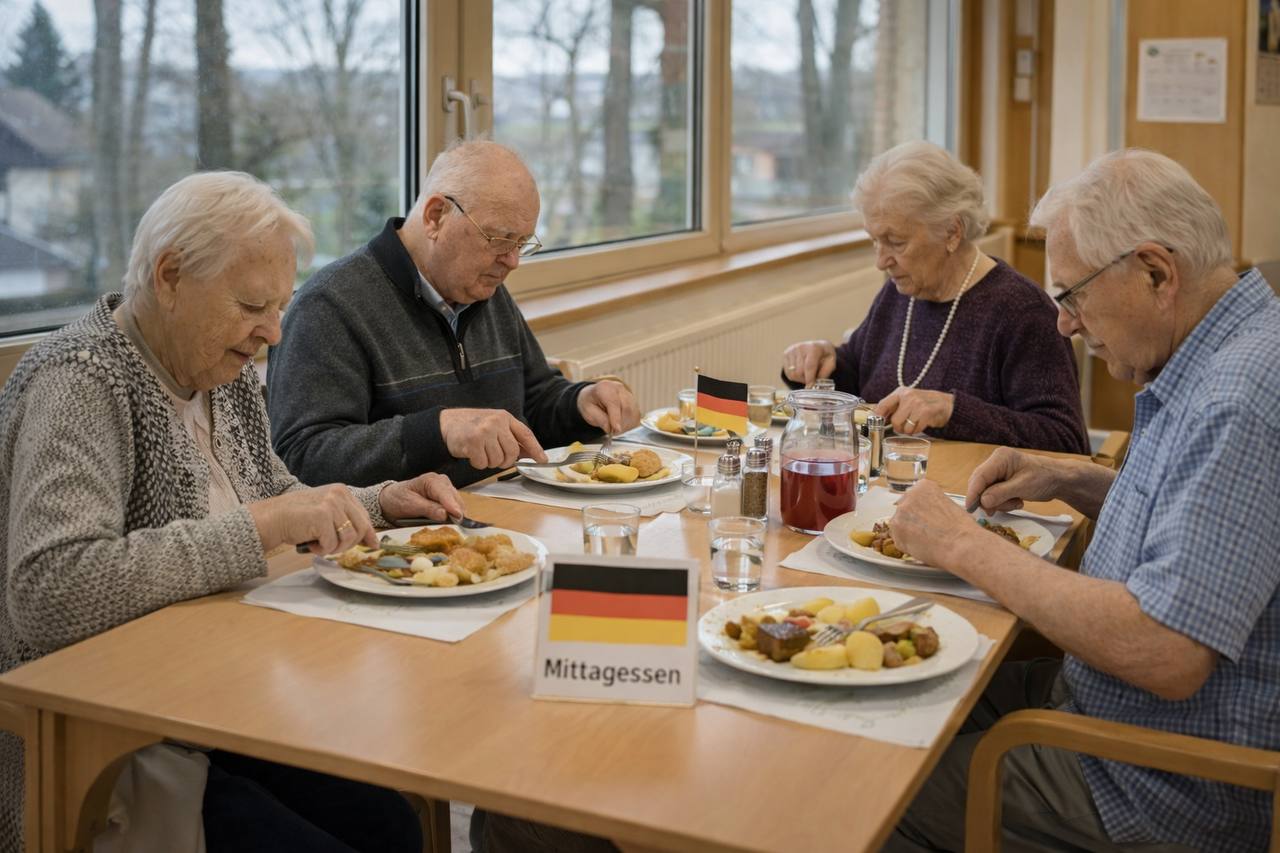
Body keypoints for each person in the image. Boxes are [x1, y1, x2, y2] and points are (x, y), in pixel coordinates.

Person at [0, 172, 469, 853]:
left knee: (389, 820)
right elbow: (50, 589)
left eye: (280, 305)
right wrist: (259, 529)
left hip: (219, 696)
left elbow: (276, 496)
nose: (273, 332)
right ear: (168, 276)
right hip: (112, 740)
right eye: (253, 304)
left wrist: (378, 501)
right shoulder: (80, 381)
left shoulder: (219, 371)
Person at [882, 149, 1280, 852]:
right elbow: (1193, 511)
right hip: (1107, 708)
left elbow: (1166, 648)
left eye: (1071, 295)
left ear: (1157, 272)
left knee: (877, 791)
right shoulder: (1229, 348)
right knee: (900, 701)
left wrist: (960, 543)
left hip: (1154, 779)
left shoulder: (1238, 400)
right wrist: (1068, 477)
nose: (1064, 323)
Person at [266, 139, 640, 489]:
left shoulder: (484, 289)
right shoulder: (330, 306)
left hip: (501, 516)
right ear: (435, 216)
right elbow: (301, 460)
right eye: (499, 239)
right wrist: (439, 431)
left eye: (521, 244)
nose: (512, 261)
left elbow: (533, 403)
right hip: (396, 542)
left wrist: (579, 403)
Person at [781, 141, 1089, 454]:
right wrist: (825, 363)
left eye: (896, 242)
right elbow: (863, 376)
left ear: (952, 232)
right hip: (886, 487)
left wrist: (952, 411)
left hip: (967, 499)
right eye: (875, 241)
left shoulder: (1022, 311)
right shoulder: (900, 291)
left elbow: (1065, 441)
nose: (881, 261)